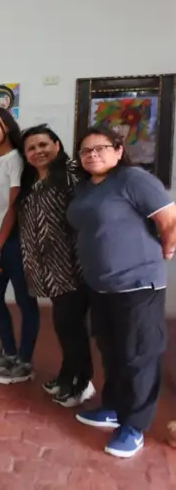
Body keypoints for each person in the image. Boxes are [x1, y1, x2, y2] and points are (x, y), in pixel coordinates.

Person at [68, 126, 176, 459]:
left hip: (138, 284)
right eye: (85, 151)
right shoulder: (85, 188)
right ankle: (113, 407)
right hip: (101, 285)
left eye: (100, 148)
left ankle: (134, 425)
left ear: (118, 150)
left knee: (138, 355)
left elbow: (169, 219)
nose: (92, 155)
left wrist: (166, 252)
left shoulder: (133, 179)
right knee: (112, 350)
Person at [17, 124, 94, 407]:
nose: (38, 152)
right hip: (47, 270)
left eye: (43, 145)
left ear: (57, 146)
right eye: (32, 148)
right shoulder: (32, 182)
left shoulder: (72, 176)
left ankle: (82, 382)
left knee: (72, 327)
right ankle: (67, 374)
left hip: (72, 268)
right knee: (64, 326)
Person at [0, 108, 41, 384]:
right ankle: (9, 352)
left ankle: (24, 362)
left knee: (26, 303)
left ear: (7, 126)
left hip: (13, 240)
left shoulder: (16, 159)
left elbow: (13, 207)